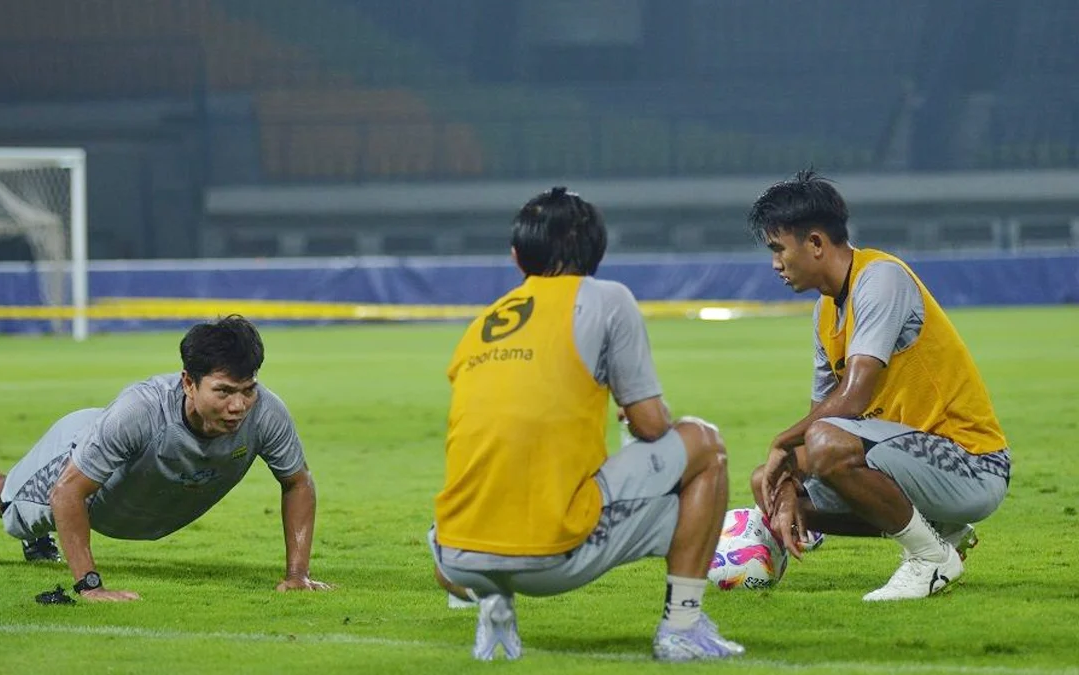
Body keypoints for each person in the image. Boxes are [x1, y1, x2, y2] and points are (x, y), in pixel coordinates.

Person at [427, 187, 744, 662]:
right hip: (549, 560)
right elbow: (652, 425)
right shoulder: (608, 298)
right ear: (597, 250)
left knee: (500, 471)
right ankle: (683, 627)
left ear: (517, 257)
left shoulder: (483, 322)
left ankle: (495, 608)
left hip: (453, 559)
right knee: (705, 445)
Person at [0, 315, 331, 600]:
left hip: (135, 500)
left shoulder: (267, 412)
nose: (239, 405)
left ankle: (39, 536)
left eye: (248, 390)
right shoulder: (141, 411)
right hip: (80, 453)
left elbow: (298, 482)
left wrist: (298, 576)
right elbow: (67, 493)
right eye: (223, 392)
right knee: (6, 501)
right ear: (188, 382)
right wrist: (90, 586)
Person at [746, 170, 1011, 601]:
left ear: (815, 243)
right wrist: (789, 481)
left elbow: (851, 402)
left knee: (823, 444)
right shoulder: (825, 313)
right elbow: (823, 416)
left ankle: (929, 558)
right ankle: (943, 532)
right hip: (909, 461)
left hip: (971, 463)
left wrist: (782, 442)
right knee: (769, 483)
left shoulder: (881, 278)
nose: (775, 263)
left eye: (778, 249)